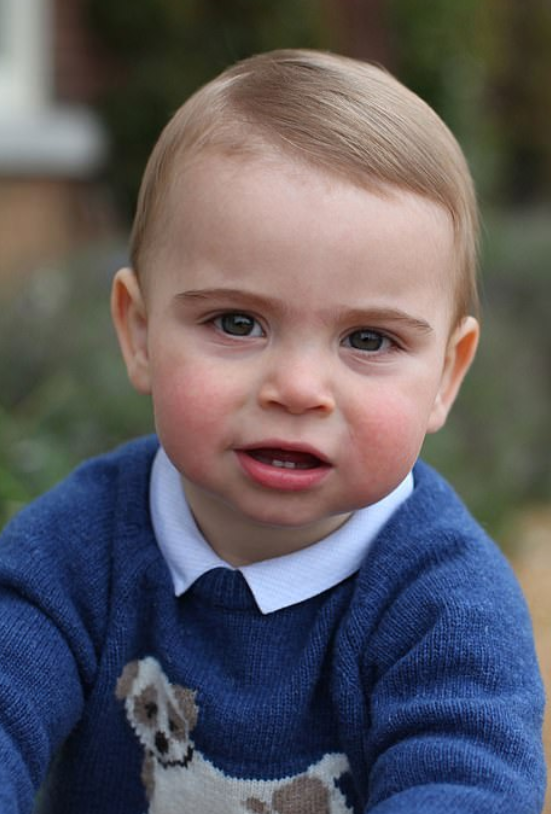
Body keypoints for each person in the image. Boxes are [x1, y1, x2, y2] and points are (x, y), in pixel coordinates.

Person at [0, 49, 545, 814]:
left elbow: (467, 786)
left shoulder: (447, 609)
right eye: (236, 322)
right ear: (140, 333)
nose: (296, 388)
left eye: (367, 339)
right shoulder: (73, 554)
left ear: (446, 377)